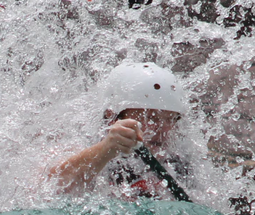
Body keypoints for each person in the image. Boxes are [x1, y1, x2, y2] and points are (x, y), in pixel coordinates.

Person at [47, 62, 189, 199]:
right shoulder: (84, 144)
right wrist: (105, 149)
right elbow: (48, 186)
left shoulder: (180, 163)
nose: (164, 129)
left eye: (171, 119)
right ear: (112, 117)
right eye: (151, 117)